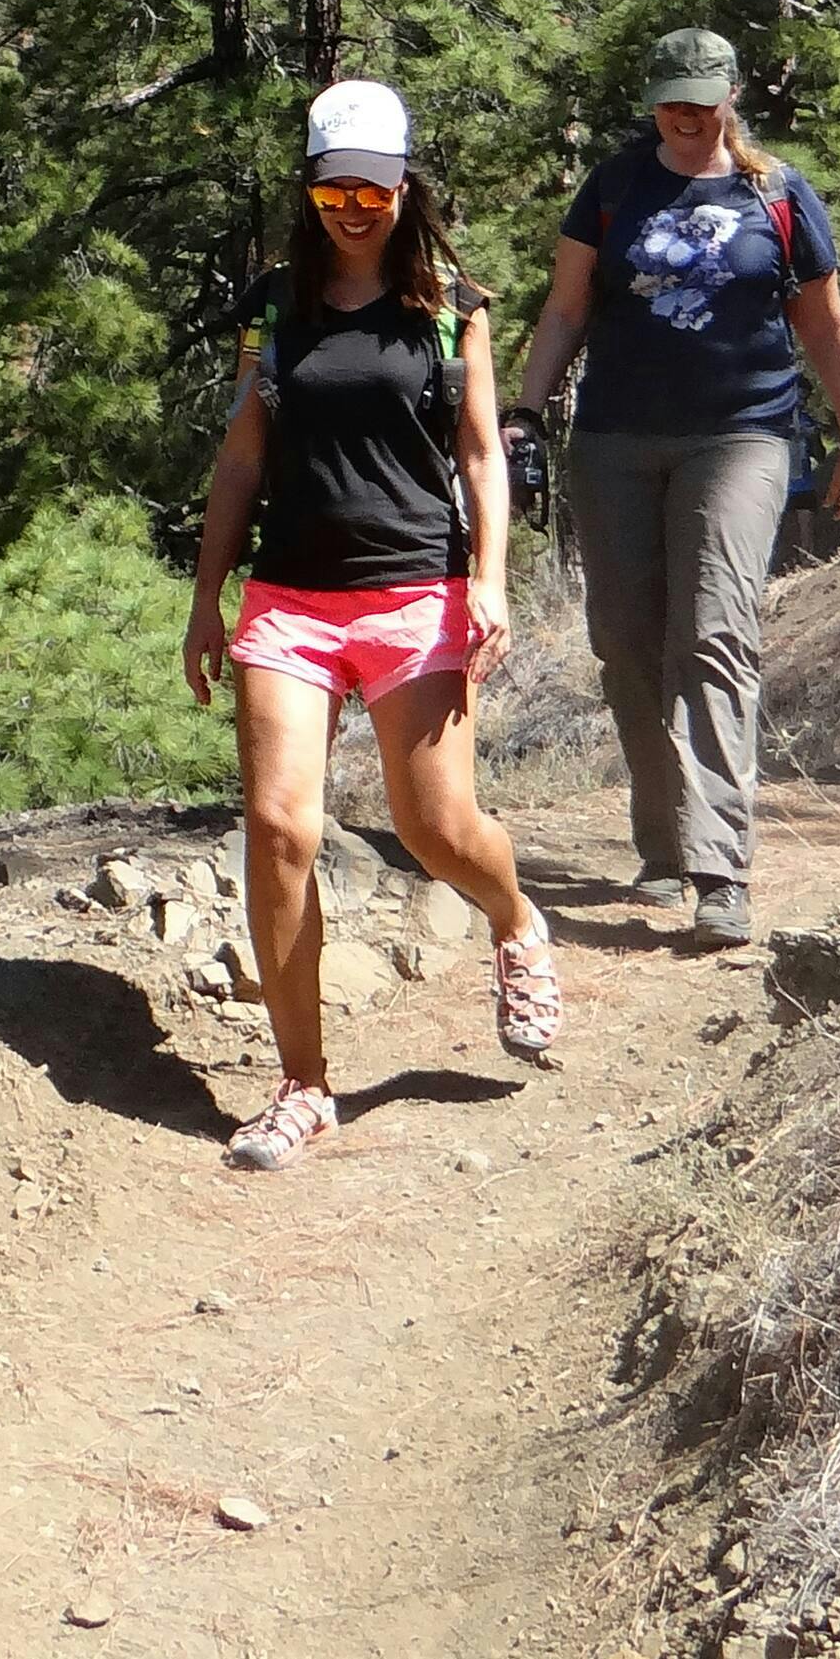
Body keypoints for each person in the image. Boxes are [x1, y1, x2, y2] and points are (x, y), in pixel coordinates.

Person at [180, 79, 559, 1171]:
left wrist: (489, 577)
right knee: (278, 826)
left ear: (406, 185)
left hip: (414, 590)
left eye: (374, 188)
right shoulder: (274, 305)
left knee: (437, 828)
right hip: (290, 593)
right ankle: (302, 1084)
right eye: (334, 187)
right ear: (310, 187)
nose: (353, 206)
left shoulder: (451, 305)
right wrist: (209, 597)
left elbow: (482, 454)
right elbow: (243, 454)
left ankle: (516, 922)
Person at [510, 27, 840, 950]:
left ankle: (720, 868)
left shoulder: (777, 193)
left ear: (730, 95)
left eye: (699, 96)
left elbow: (824, 322)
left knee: (714, 630)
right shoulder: (615, 186)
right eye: (669, 95)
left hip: (742, 434)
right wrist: (523, 411)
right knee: (627, 644)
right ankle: (666, 841)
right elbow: (566, 306)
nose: (682, 112)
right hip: (616, 437)